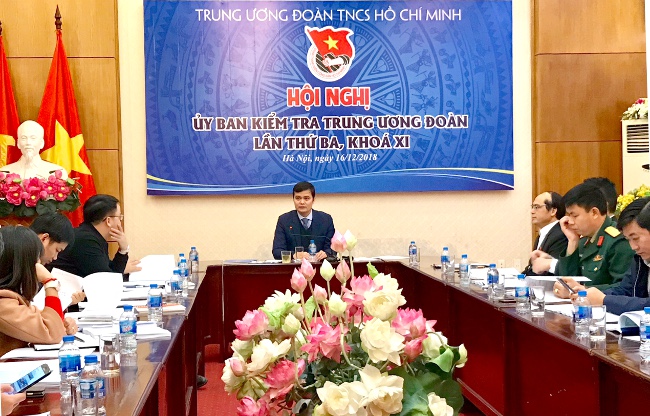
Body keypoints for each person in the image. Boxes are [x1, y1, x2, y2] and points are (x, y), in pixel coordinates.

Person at [554, 197, 650, 314]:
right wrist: (586, 294)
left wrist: (604, 300)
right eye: (628, 239)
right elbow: (625, 289)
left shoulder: (617, 242)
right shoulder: (640, 259)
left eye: (635, 238)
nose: (633, 247)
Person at [533, 183, 634, 289]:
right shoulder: (584, 240)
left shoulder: (617, 241)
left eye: (574, 215)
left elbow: (625, 288)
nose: (570, 221)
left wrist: (584, 291)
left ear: (594, 213)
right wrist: (572, 241)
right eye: (568, 215)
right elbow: (568, 280)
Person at [0, 226, 68, 357]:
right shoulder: (3, 304)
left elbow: (46, 322)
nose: (39, 264)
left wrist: (62, 324)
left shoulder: (11, 297)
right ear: (23, 263)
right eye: (36, 258)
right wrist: (50, 282)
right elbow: (53, 334)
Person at [50, 194, 141, 279]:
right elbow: (107, 280)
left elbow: (111, 270)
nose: (120, 222)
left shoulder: (91, 235)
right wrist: (123, 256)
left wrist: (123, 250)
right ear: (108, 221)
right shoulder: (86, 240)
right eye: (119, 217)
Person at [272, 181, 335, 261]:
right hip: (293, 267)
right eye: (298, 198)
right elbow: (277, 251)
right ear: (293, 199)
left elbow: (333, 249)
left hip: (319, 266)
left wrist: (326, 253)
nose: (302, 202)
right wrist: (294, 255)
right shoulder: (284, 220)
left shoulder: (326, 220)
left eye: (306, 198)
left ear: (313, 200)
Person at [1, 120, 67, 179]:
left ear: (42, 143)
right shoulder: (3, 174)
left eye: (33, 138)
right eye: (24, 138)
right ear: (18, 143)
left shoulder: (57, 173)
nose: (28, 143)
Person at [523, 191, 567, 276]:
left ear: (553, 211)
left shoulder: (560, 235)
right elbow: (532, 268)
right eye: (532, 207)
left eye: (537, 207)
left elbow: (551, 273)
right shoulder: (544, 233)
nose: (532, 211)